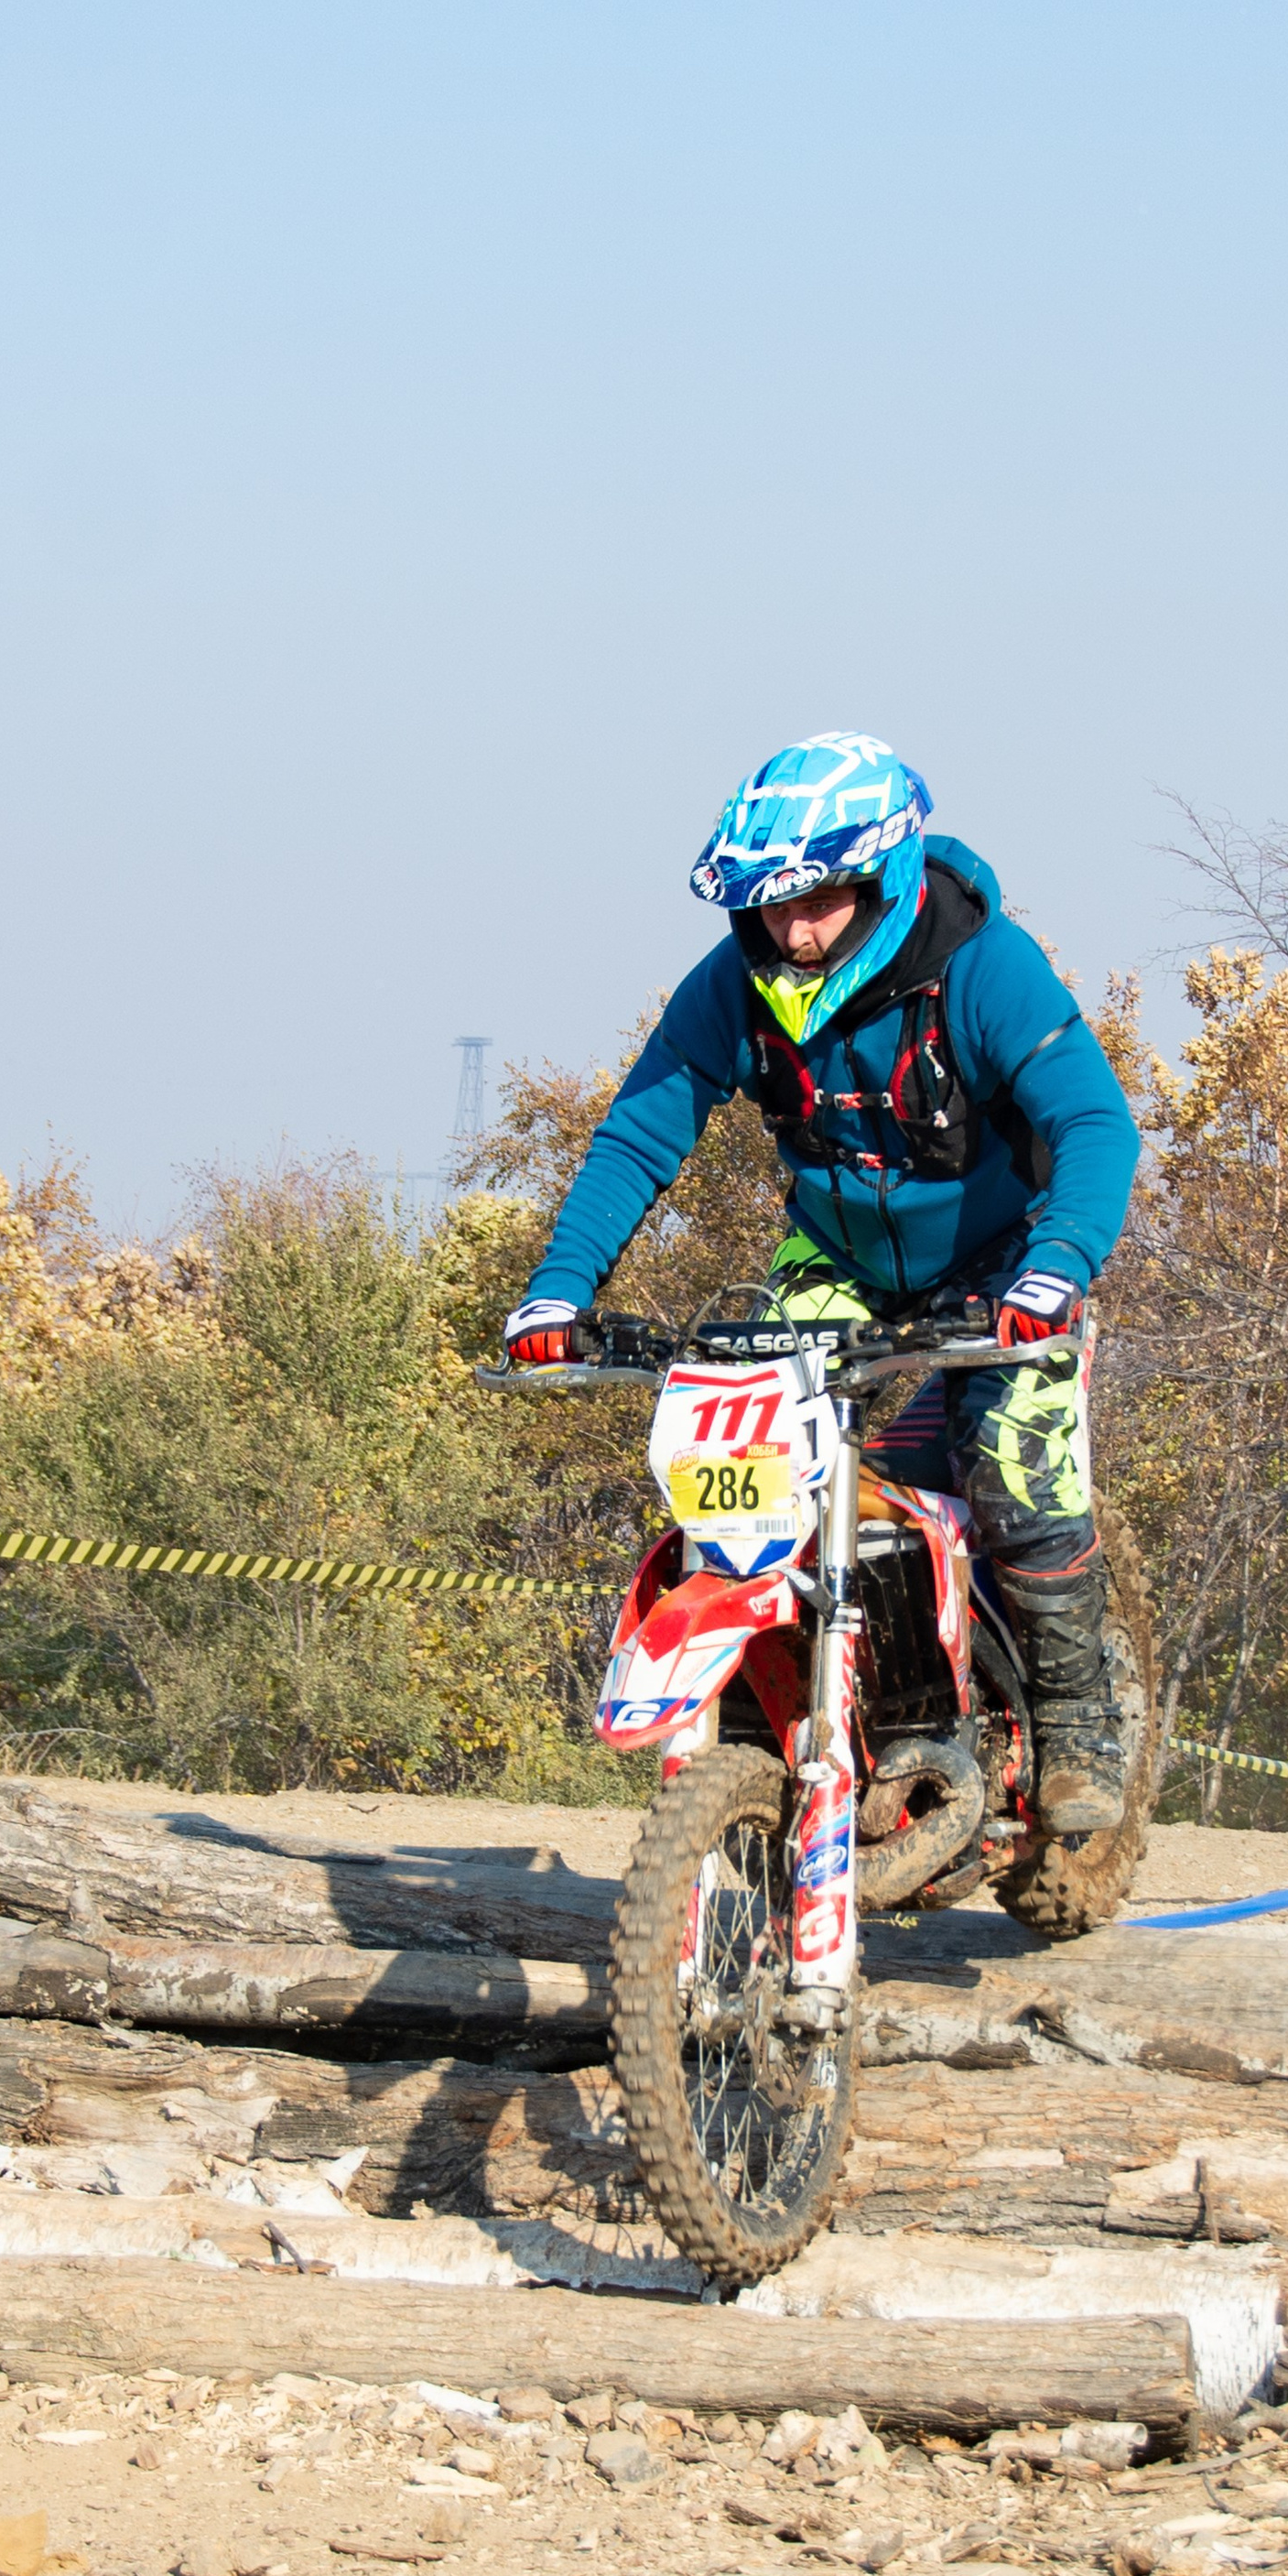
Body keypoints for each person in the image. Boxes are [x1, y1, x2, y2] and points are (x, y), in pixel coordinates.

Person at [503, 732, 1142, 1830]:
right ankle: (780, 1723)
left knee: (1014, 1460)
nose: (792, 934)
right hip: (836, 1258)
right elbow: (640, 1133)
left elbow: (1094, 1123)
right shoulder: (738, 982)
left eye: (820, 902)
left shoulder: (983, 965)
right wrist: (556, 1293)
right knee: (745, 1457)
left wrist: (1057, 1268)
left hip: (1005, 1262)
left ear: (881, 880)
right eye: (765, 908)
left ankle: (1078, 1723)